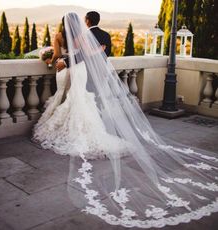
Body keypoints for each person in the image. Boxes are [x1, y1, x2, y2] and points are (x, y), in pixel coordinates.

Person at [33, 12, 218, 229]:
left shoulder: (61, 36)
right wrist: (87, 54)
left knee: (75, 98)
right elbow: (87, 54)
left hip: (72, 70)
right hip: (80, 71)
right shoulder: (83, 36)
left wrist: (54, 58)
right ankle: (86, 128)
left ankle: (76, 129)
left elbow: (67, 56)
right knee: (80, 100)